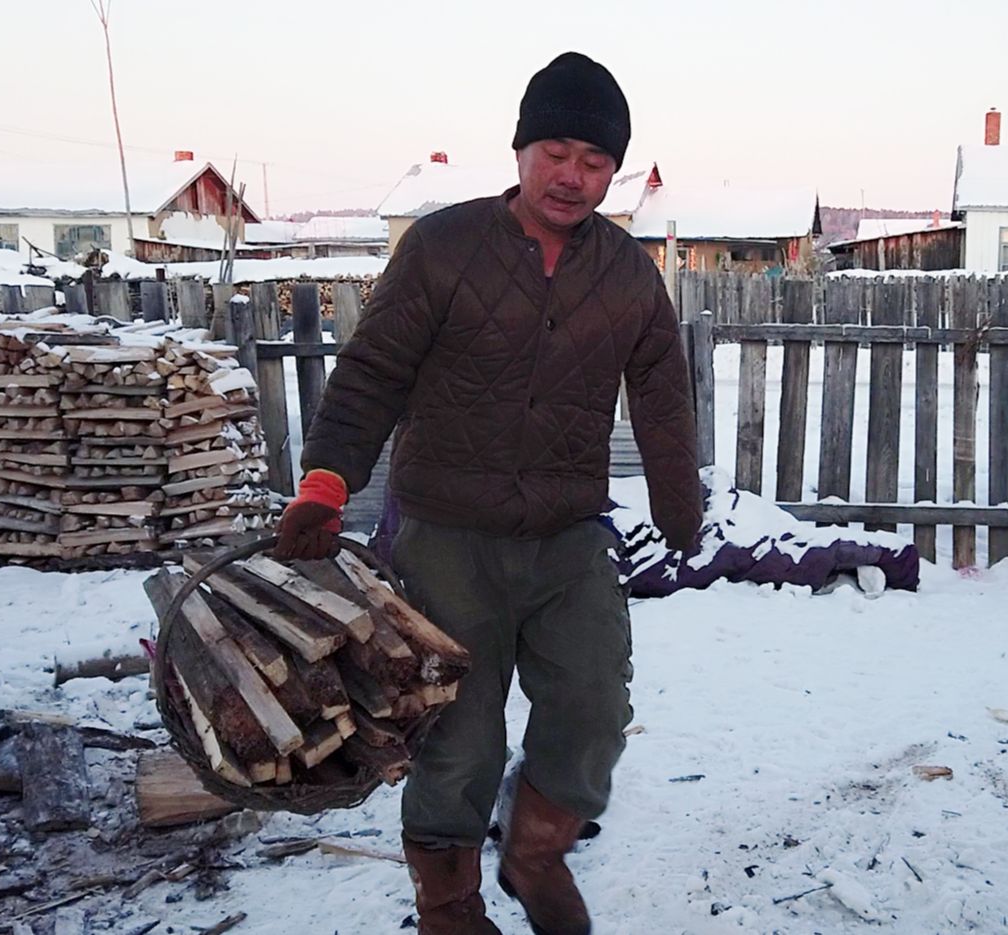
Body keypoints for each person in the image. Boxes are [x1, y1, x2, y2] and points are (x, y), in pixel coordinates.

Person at [275, 51, 701, 935]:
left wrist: (678, 502)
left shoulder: (626, 275)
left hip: (566, 533)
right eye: (556, 151)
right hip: (446, 538)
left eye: (594, 161)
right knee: (457, 737)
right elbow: (372, 372)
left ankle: (536, 853)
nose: (572, 176)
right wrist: (325, 483)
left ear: (613, 172)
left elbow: (662, 392)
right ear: (520, 150)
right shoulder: (444, 248)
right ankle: (449, 903)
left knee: (592, 705)